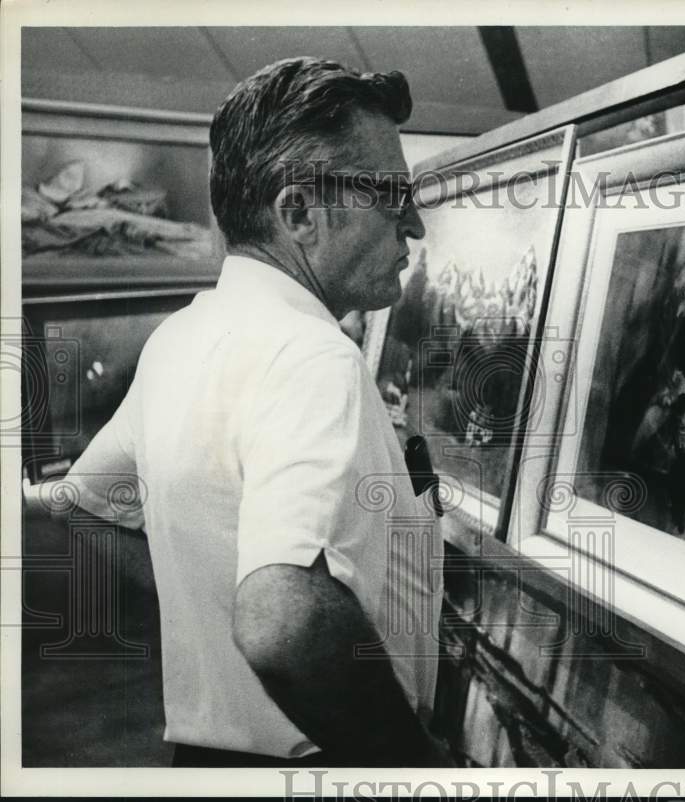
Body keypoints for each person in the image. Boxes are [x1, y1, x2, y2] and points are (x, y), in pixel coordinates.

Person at [39, 57, 450, 767]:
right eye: (391, 194)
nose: (413, 225)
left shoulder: (182, 336)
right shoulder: (314, 357)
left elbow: (83, 502)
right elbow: (281, 624)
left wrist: (212, 598)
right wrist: (413, 767)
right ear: (299, 213)